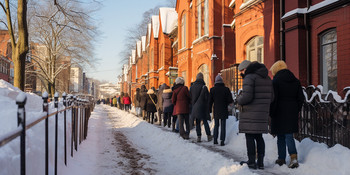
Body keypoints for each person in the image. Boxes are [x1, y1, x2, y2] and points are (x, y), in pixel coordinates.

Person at [237, 61, 274, 170]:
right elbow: (272, 97)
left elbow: (247, 97)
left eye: (242, 71)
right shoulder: (267, 78)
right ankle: (261, 162)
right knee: (259, 137)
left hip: (250, 113)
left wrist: (239, 99)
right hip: (262, 113)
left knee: (249, 136)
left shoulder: (249, 78)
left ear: (246, 69)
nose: (242, 73)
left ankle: (252, 161)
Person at [269, 60, 304, 168]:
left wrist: (272, 112)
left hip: (279, 111)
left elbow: (273, 99)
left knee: (280, 136)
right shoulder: (295, 81)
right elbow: (300, 98)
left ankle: (281, 158)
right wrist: (296, 108)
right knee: (289, 135)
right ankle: (293, 158)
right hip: (291, 111)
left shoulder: (275, 82)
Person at [209, 74, 234, 146]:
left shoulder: (212, 90)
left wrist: (209, 110)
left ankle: (215, 140)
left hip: (216, 110)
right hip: (224, 109)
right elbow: (230, 100)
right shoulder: (226, 89)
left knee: (216, 125)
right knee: (223, 126)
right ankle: (222, 140)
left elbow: (210, 101)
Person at [190, 72, 212, 142]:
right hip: (203, 107)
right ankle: (209, 136)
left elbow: (190, 98)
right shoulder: (204, 87)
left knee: (197, 122)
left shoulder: (192, 87)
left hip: (195, 107)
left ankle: (199, 137)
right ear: (202, 78)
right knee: (205, 122)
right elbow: (207, 98)